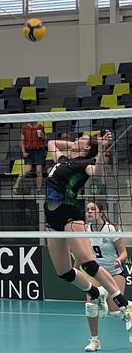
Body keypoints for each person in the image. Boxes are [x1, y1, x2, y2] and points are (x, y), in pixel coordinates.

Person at [45, 131, 132, 328]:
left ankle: (123, 304)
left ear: (86, 149)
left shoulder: (83, 165)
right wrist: (78, 143)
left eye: (81, 139)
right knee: (64, 272)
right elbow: (51, 143)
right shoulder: (63, 160)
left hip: (69, 213)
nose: (77, 139)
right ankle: (95, 292)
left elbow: (99, 174)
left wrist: (99, 147)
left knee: (88, 263)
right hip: (51, 218)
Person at [80, 201, 128, 352]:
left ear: (100, 212)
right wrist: (73, 270)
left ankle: (129, 315)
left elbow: (124, 252)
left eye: (93, 209)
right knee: (90, 305)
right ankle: (95, 340)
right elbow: (82, 253)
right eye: (87, 209)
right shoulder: (84, 230)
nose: (89, 212)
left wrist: (119, 260)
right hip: (96, 273)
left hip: (114, 273)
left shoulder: (110, 229)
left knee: (114, 311)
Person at [13, 121, 46, 194]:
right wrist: (23, 152)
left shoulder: (40, 127)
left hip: (39, 151)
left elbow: (44, 138)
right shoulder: (24, 128)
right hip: (28, 151)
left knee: (39, 170)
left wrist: (42, 135)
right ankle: (16, 186)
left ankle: (39, 190)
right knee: (27, 170)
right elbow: (22, 141)